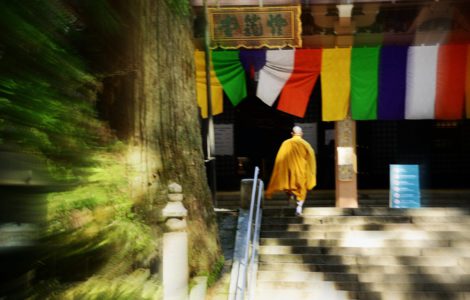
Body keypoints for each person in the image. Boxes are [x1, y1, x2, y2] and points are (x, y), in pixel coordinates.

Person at [265, 126, 317, 216]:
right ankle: (299, 207)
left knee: (289, 186)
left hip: (289, 172)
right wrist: (311, 172)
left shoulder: (285, 143)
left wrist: (281, 171)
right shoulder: (306, 144)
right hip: (301, 171)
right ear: (301, 134)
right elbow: (311, 160)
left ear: (292, 133)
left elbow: (279, 159)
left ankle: (291, 198)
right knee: (301, 188)